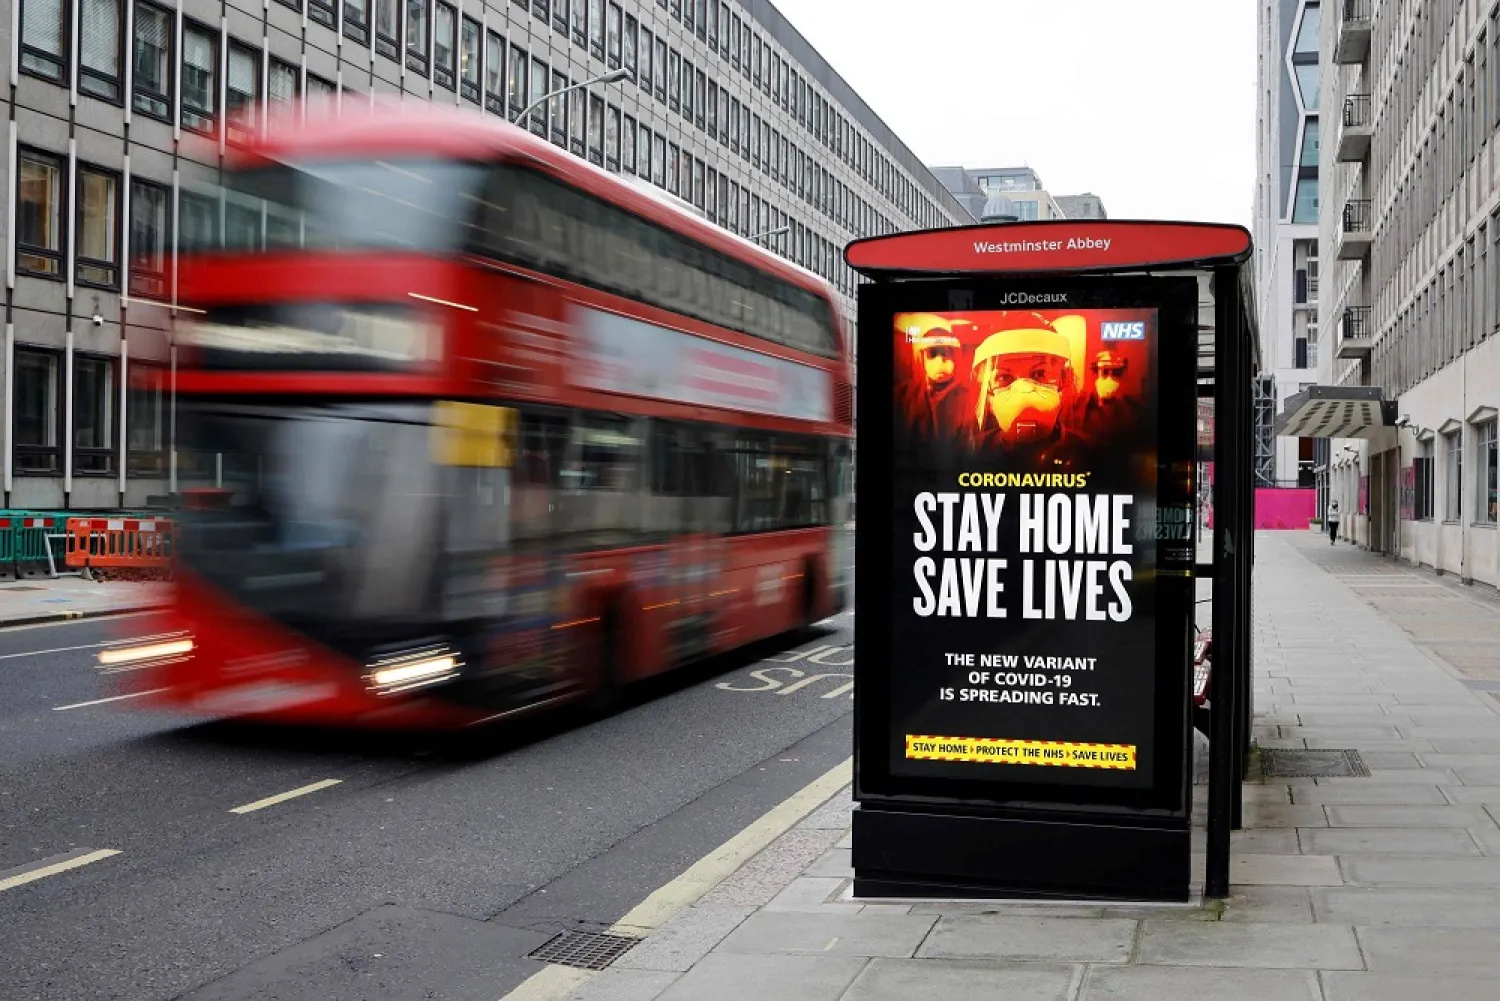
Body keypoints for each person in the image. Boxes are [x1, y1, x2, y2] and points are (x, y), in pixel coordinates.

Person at [965, 315, 1089, 469]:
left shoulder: (1093, 456)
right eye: (1004, 377)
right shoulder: (969, 454)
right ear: (988, 391)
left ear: (1063, 379)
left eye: (1039, 374)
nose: (1024, 391)